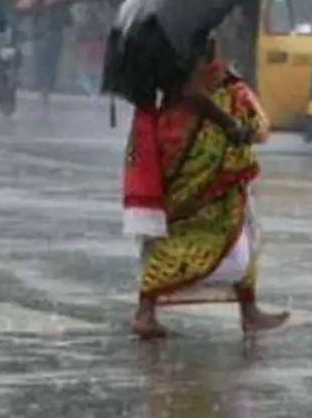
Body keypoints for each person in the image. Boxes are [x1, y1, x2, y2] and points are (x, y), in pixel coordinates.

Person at [122, 31, 290, 339]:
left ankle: (248, 310)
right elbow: (191, 90)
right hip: (198, 144)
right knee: (197, 227)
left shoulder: (167, 40)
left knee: (232, 226)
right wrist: (227, 120)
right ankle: (145, 311)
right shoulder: (194, 39)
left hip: (179, 138)